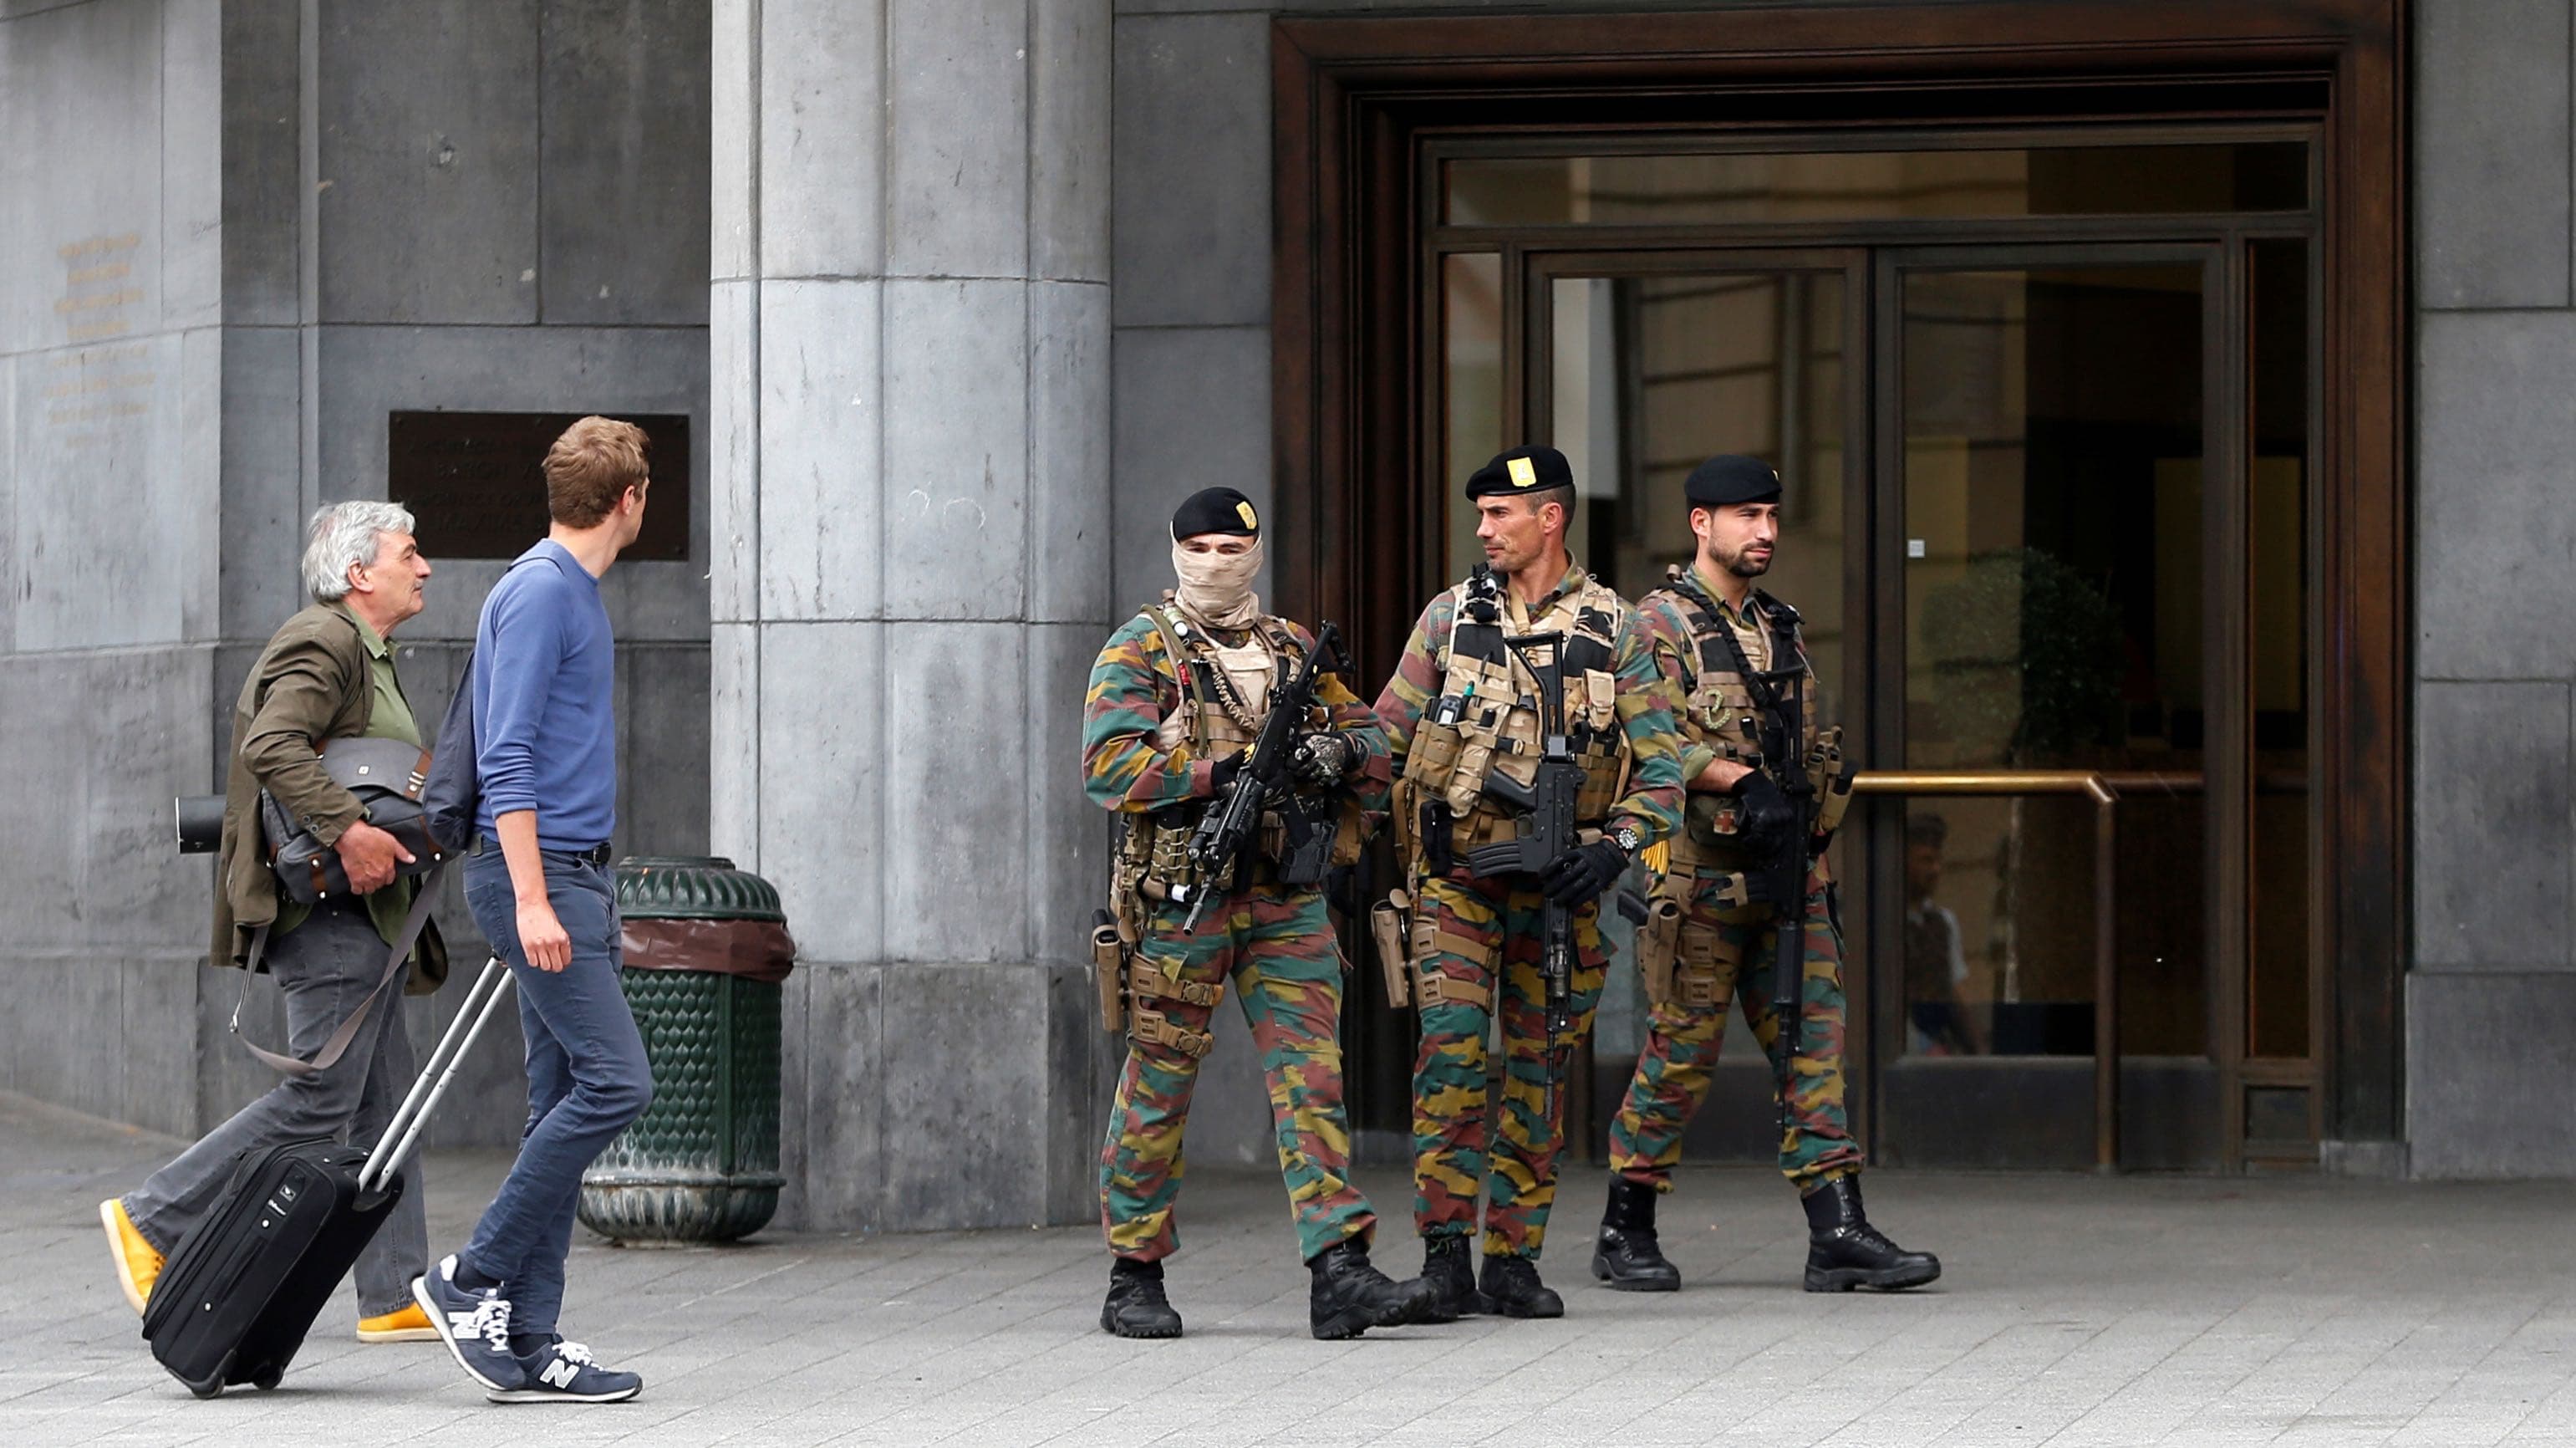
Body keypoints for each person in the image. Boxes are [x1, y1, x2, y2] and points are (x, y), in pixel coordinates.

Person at [1082, 487, 1434, 1341]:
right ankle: (1134, 1270)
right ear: (1174, 553)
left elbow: (1376, 748)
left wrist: (1336, 749)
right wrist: (1214, 775)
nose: (1213, 563)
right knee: (1159, 1086)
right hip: (1184, 899)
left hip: (1284, 897)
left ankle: (1339, 1268)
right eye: (1196, 548)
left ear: (1255, 553)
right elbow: (1107, 769)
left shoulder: (1292, 651)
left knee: (1311, 1078)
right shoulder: (1142, 649)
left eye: (1227, 548)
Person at [100, 502, 445, 1344]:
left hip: (367, 915)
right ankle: (154, 1217)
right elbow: (275, 746)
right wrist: (350, 830)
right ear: (360, 571)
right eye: (410, 552)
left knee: (383, 1103)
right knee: (322, 1092)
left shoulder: (368, 650)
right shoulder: (324, 639)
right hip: (328, 913)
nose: (425, 566)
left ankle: (395, 1288)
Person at [1594, 454, 1939, 1293]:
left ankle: (1838, 1229)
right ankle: (1624, 1224)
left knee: (1811, 1051)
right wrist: (1737, 780)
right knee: (1680, 1056)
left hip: (1788, 882)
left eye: (1773, 516)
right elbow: (1653, 739)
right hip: (1701, 884)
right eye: (1747, 515)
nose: (1766, 532)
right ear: (1700, 523)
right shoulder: (1657, 625)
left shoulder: (1778, 626)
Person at [1376, 446, 1686, 1320]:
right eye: (1478, 515)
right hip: (1459, 883)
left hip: (1562, 891)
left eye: (1497, 514)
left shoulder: (1617, 630)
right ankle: (1444, 1255)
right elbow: (1385, 735)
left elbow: (1662, 773)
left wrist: (1615, 846)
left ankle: (1514, 1256)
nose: (1482, 530)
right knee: (1453, 1057)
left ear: (1549, 518)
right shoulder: (1448, 619)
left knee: (1542, 1071)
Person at [412, 416, 654, 1404]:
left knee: (562, 1100)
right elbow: (505, 757)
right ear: (632, 499)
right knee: (617, 1083)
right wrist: (531, 897)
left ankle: (532, 1333)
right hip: (540, 877)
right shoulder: (546, 592)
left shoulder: (560, 589)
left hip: (569, 875)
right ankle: (469, 1280)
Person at [1904, 813, 1984, 1057]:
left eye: (1937, 860)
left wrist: (1979, 1049)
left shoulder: (1943, 923)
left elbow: (1955, 989)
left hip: (1938, 1044)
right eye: (1926, 860)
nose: (1935, 870)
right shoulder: (1876, 923)